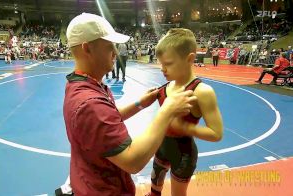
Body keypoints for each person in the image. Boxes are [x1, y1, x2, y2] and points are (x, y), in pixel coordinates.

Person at [63, 13, 197, 196]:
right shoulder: (90, 104)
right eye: (110, 46)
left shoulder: (84, 84)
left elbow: (107, 117)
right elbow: (133, 161)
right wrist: (167, 111)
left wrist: (139, 104)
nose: (116, 52)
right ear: (87, 49)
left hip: (89, 181)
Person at [146, 28, 223, 196]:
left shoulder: (202, 91)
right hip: (162, 146)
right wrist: (141, 102)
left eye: (168, 64)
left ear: (190, 59)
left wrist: (185, 127)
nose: (162, 69)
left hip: (184, 154)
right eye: (161, 64)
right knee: (154, 185)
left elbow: (216, 133)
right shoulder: (166, 87)